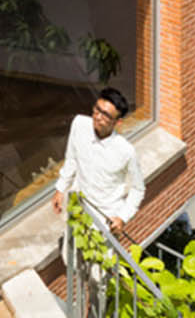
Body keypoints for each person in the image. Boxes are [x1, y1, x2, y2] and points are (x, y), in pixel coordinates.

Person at [51, 86, 144, 240]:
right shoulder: (79, 124)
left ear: (118, 122)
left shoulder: (126, 151)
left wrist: (122, 217)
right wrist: (60, 189)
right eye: (97, 109)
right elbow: (72, 159)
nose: (98, 117)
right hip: (78, 211)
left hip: (105, 221)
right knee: (70, 251)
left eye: (105, 115)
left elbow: (138, 189)